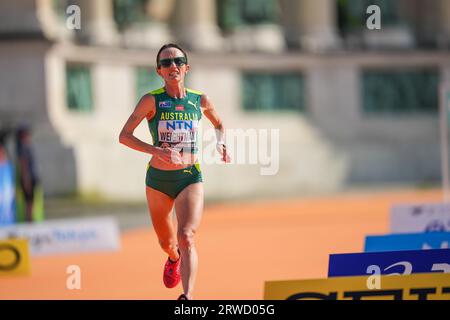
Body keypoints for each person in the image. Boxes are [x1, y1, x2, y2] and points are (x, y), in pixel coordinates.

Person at [119, 43, 230, 300]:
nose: (173, 66)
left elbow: (220, 123)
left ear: (187, 68)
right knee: (167, 243)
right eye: (166, 63)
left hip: (189, 177)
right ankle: (173, 258)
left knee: (187, 235)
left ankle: (188, 297)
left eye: (178, 61)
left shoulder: (200, 100)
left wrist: (222, 143)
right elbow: (124, 136)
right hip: (158, 180)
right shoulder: (151, 100)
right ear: (159, 71)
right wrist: (157, 151)